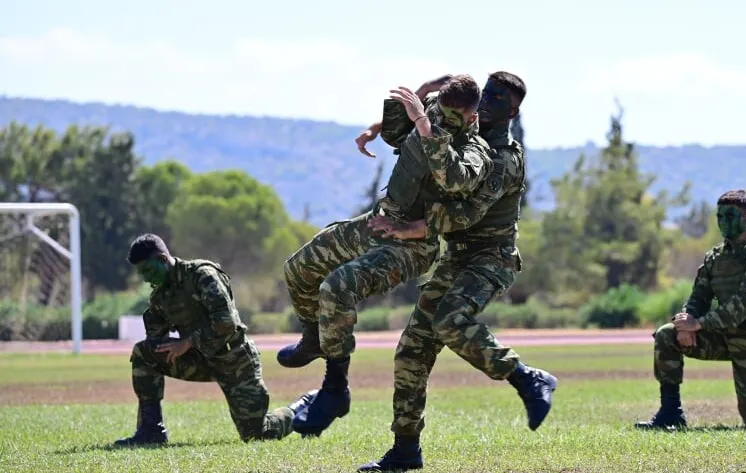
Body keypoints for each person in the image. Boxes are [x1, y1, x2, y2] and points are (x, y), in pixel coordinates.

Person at [358, 72, 557, 472]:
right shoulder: (464, 128)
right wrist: (387, 121)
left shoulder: (503, 158)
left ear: (513, 112)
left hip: (491, 257)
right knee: (412, 349)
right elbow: (420, 128)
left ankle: (525, 377)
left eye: (499, 99)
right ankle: (405, 450)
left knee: (450, 320)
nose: (488, 101)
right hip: (457, 257)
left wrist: (407, 229)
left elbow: (464, 214)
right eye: (487, 93)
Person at [278, 75, 496, 437]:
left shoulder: (476, 152)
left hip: (412, 245)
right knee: (299, 268)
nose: (441, 120)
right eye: (438, 112)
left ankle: (334, 389)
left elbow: (454, 180)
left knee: (337, 286)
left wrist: (424, 123)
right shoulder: (435, 110)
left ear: (472, 118)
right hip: (379, 223)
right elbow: (396, 133)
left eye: (451, 118)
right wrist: (413, 100)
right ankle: (315, 337)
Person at [113, 233, 305, 446]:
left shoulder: (202, 275)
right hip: (200, 361)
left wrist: (187, 342)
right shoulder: (159, 297)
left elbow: (226, 322)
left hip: (235, 361)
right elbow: (155, 340)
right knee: (144, 353)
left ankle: (302, 407)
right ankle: (151, 430)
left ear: (162, 259)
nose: (146, 278)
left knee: (256, 433)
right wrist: (161, 348)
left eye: (148, 270)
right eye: (141, 273)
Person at [635, 189, 746, 431]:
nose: (724, 222)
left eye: (730, 216)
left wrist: (699, 324)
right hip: (720, 336)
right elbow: (699, 296)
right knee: (667, 335)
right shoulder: (715, 257)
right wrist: (686, 322)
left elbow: (742, 306)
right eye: (720, 216)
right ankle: (671, 413)